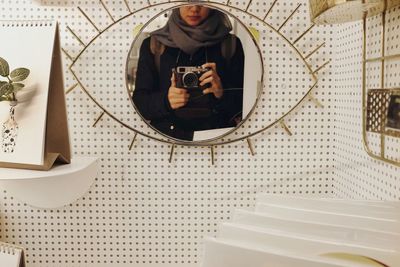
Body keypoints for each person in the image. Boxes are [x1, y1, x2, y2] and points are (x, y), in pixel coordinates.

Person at [133, 5, 245, 141]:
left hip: (216, 141)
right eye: (187, 1)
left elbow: (242, 106)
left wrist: (221, 93)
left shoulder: (229, 45)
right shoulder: (154, 45)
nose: (194, 8)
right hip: (166, 141)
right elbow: (139, 105)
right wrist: (166, 101)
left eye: (202, 2)